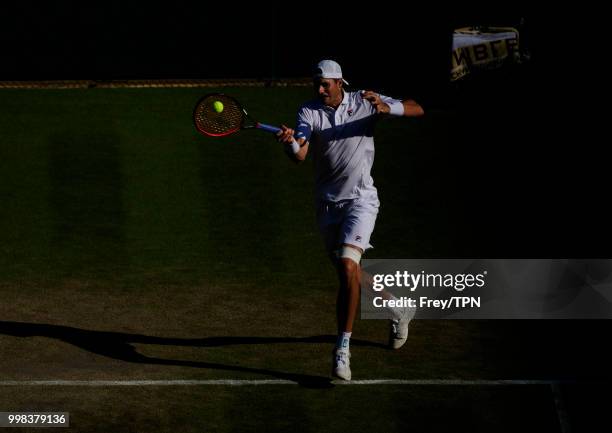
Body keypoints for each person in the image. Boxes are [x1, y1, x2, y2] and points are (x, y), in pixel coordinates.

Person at [276, 60, 424, 381]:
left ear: (340, 82)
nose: (319, 89)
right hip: (327, 206)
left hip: (361, 200)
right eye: (316, 84)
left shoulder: (364, 101)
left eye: (324, 84)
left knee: (347, 266)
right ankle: (398, 308)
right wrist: (290, 142)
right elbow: (300, 153)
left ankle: (342, 349)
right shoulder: (308, 111)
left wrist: (386, 108)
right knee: (351, 271)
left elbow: (417, 108)